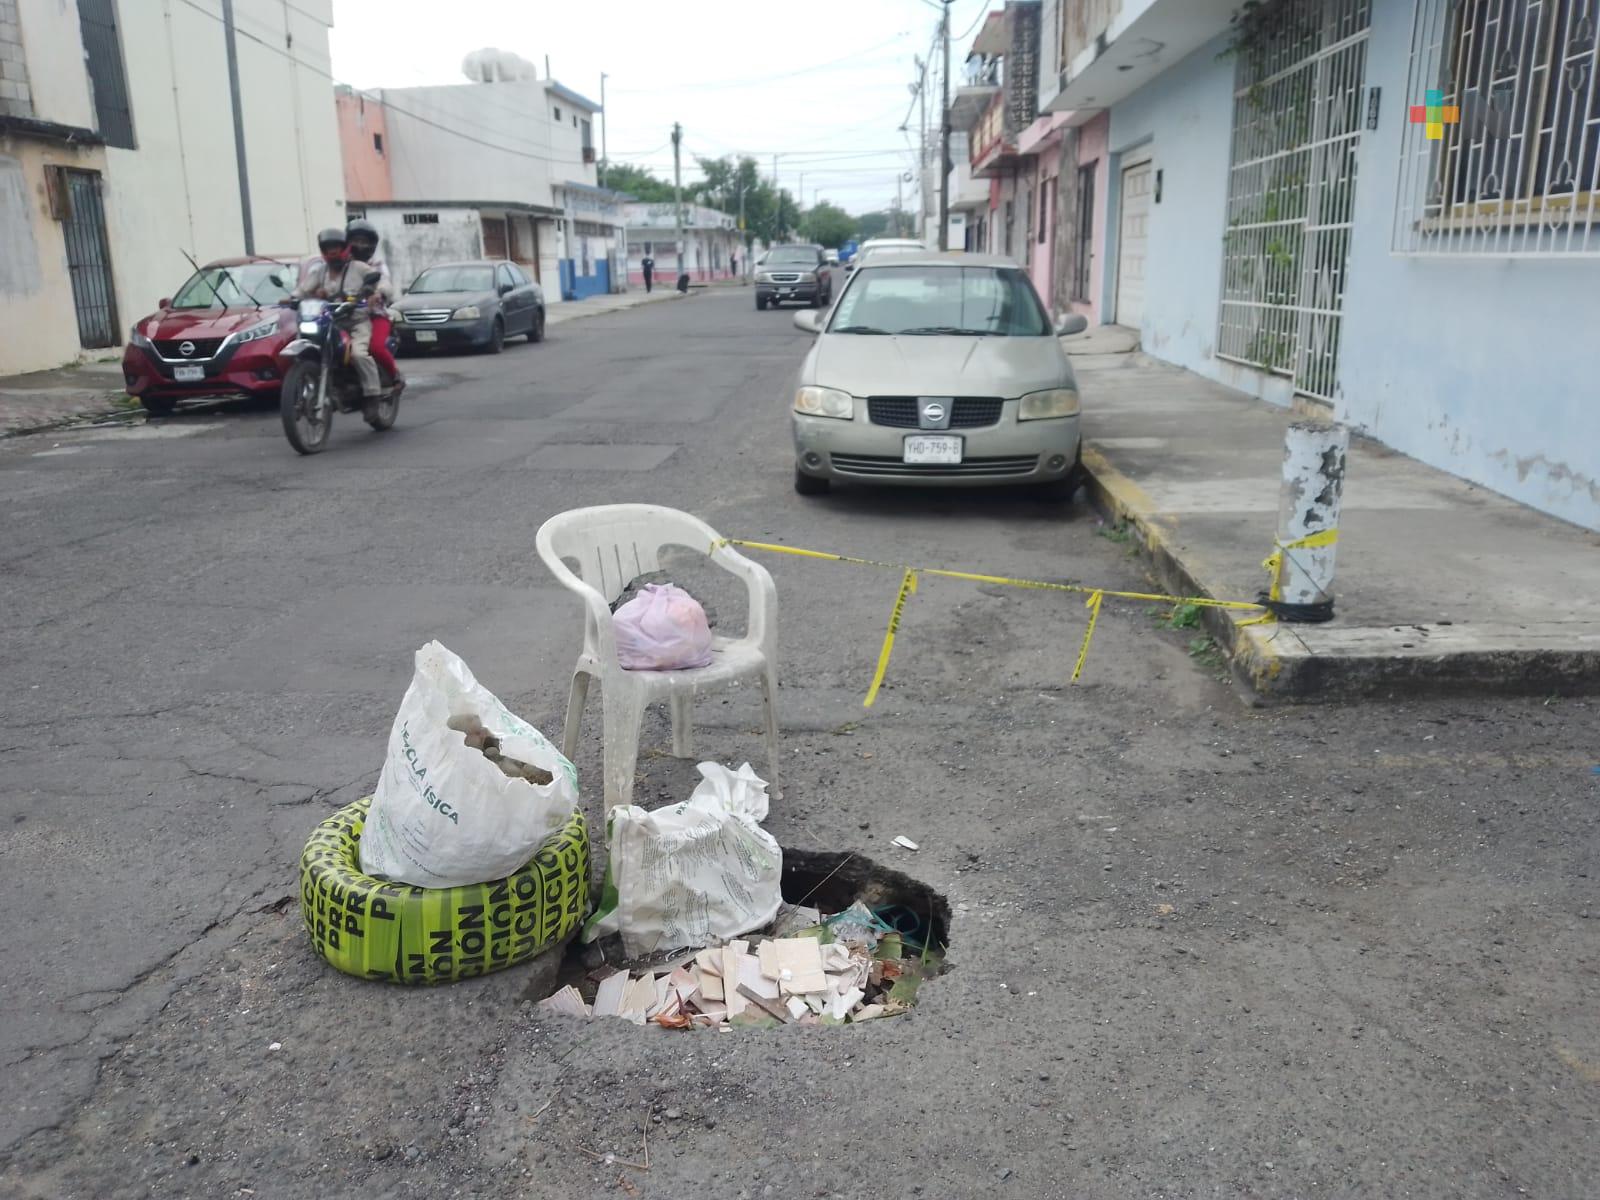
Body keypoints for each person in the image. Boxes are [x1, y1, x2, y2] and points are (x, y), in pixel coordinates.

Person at [294, 227, 393, 401]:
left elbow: (381, 280)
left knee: (358, 354)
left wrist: (379, 293)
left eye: (336, 247)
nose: (332, 251)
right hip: (332, 322)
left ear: (344, 247)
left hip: (357, 321)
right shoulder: (321, 271)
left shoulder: (359, 267)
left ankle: (372, 394)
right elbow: (303, 289)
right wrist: (291, 299)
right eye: (327, 247)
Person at [345, 219, 401, 389]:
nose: (359, 245)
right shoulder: (342, 265)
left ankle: (395, 375)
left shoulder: (377, 264)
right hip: (346, 314)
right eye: (355, 240)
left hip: (374, 315)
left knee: (375, 347)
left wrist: (378, 293)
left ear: (371, 244)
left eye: (364, 241)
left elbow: (385, 282)